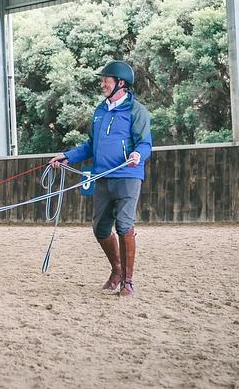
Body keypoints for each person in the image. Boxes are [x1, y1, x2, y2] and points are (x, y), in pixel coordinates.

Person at [48, 60, 152, 298]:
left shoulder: (137, 111)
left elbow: (145, 143)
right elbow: (91, 146)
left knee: (124, 225)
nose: (102, 83)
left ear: (121, 83)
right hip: (102, 175)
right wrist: (67, 156)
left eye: (107, 79)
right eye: (103, 79)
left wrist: (138, 154)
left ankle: (127, 282)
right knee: (101, 228)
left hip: (128, 175)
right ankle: (116, 269)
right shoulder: (100, 111)